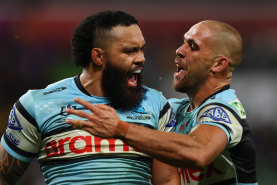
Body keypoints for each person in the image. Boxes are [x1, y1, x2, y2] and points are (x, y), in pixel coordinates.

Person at [65, 20, 258, 185]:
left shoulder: (225, 109)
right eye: (183, 42)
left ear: (218, 64)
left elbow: (198, 151)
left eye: (193, 46)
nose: (179, 50)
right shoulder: (171, 109)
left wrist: (120, 128)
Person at [0, 11, 180, 185]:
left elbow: (166, 180)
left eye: (142, 50)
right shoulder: (37, 104)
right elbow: (4, 175)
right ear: (98, 56)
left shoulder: (157, 105)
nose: (141, 58)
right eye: (129, 51)